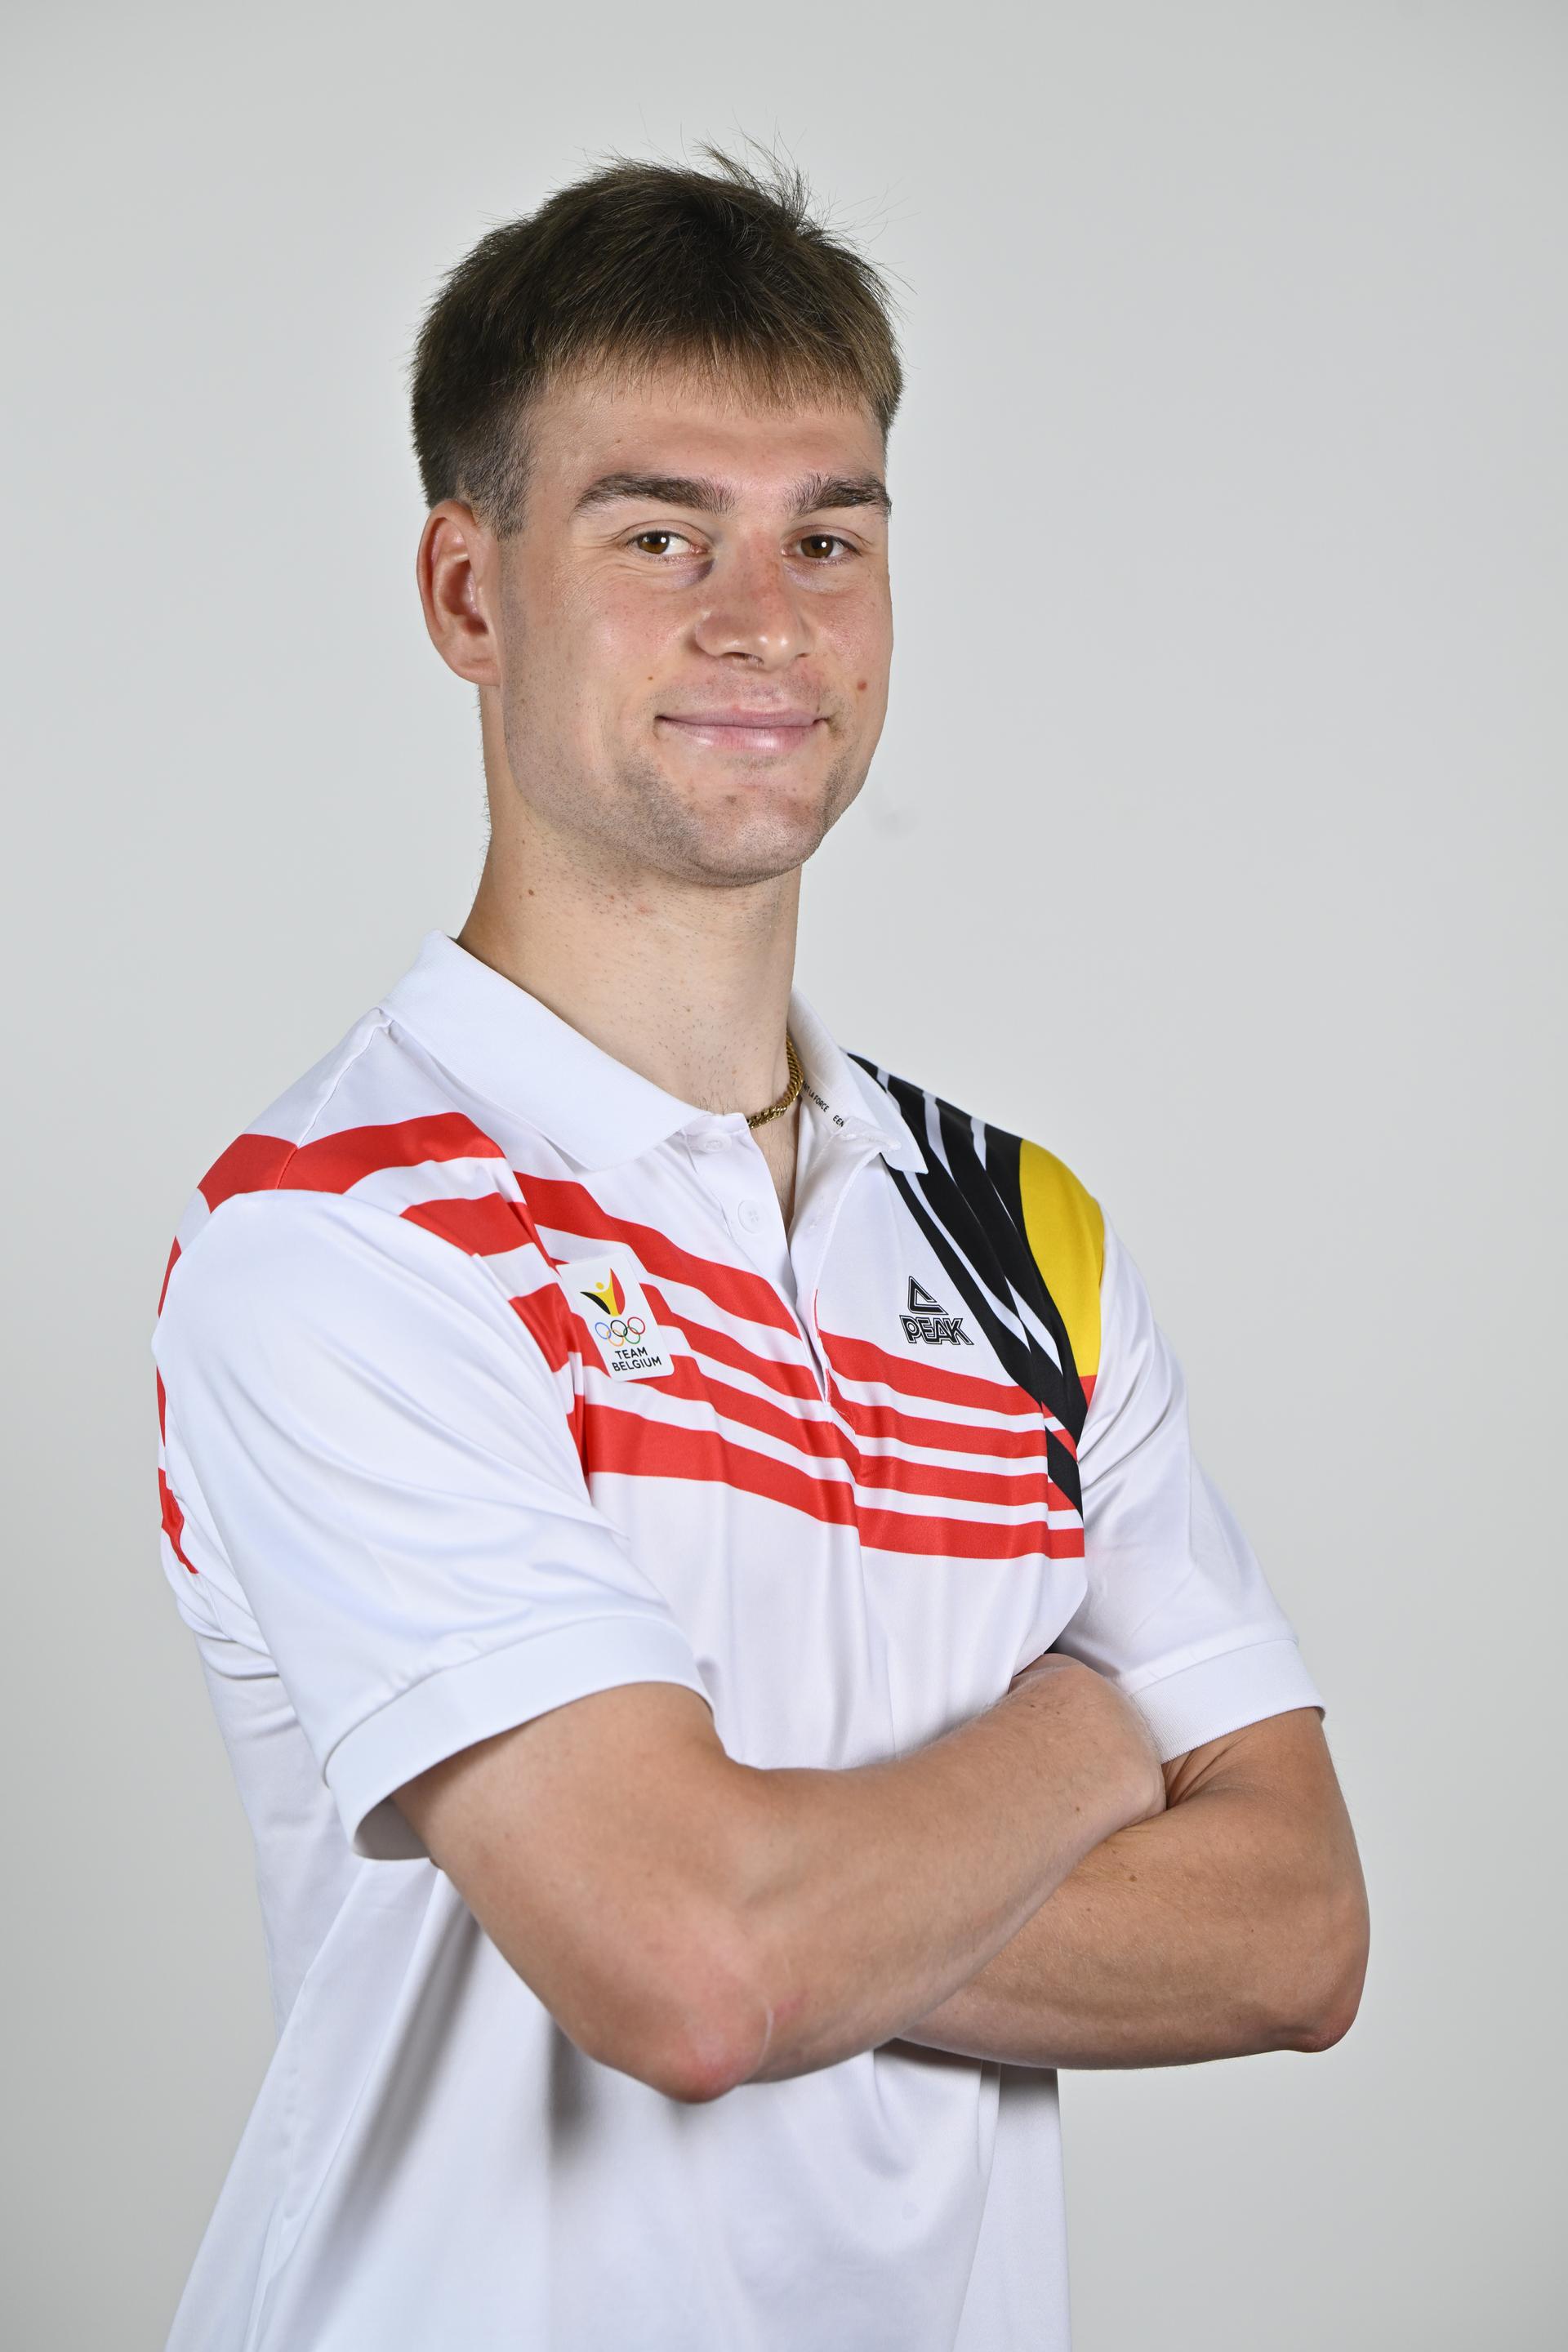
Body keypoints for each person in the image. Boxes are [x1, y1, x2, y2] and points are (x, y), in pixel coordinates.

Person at [151, 150, 1368, 2352]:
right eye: (656, 535)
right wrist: (1104, 1740)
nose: (763, 617)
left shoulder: (1019, 1235)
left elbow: (1297, 1934)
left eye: (830, 535)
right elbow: (697, 1980)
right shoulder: (346, 1236)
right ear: (466, 591)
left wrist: (755, 1888)